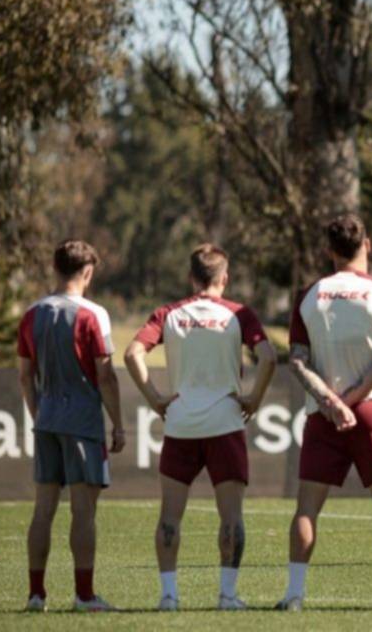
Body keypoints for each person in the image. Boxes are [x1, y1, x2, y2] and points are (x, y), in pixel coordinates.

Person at [276, 213, 372, 612]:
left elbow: (297, 361)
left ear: (329, 251)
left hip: (323, 415)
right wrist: (353, 401)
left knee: (307, 508)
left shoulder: (310, 296)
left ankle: (294, 595)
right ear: (367, 245)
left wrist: (332, 403)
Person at [124, 244, 276, 612]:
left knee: (170, 517)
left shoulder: (169, 313)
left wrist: (155, 398)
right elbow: (269, 356)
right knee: (231, 518)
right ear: (224, 278)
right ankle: (227, 596)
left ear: (192, 278)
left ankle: (168, 597)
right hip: (225, 423)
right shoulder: (239, 313)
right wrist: (254, 398)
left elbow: (131, 354)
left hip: (181, 425)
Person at [17, 240, 125, 613]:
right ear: (88, 272)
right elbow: (106, 376)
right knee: (83, 512)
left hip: (47, 420)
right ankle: (83, 594)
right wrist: (120, 424)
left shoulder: (32, 314)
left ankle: (36, 593)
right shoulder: (93, 314)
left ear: (55, 269)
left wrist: (37, 415)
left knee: (42, 510)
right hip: (83, 423)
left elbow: (25, 375)